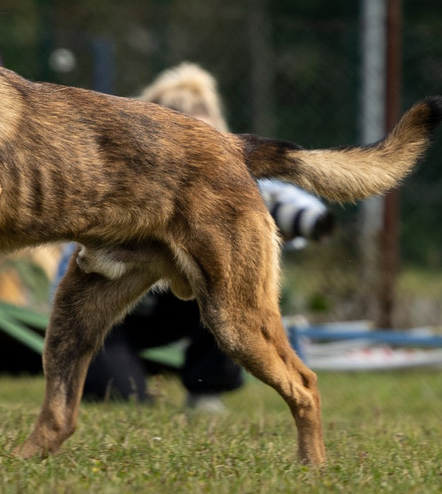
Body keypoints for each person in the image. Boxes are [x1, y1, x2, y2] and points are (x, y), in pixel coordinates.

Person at [81, 62, 333, 411]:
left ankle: (207, 389)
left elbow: (296, 204)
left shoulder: (228, 176)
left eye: (205, 141)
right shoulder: (115, 182)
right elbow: (73, 277)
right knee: (123, 400)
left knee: (232, 272)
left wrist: (288, 224)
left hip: (183, 307)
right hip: (115, 316)